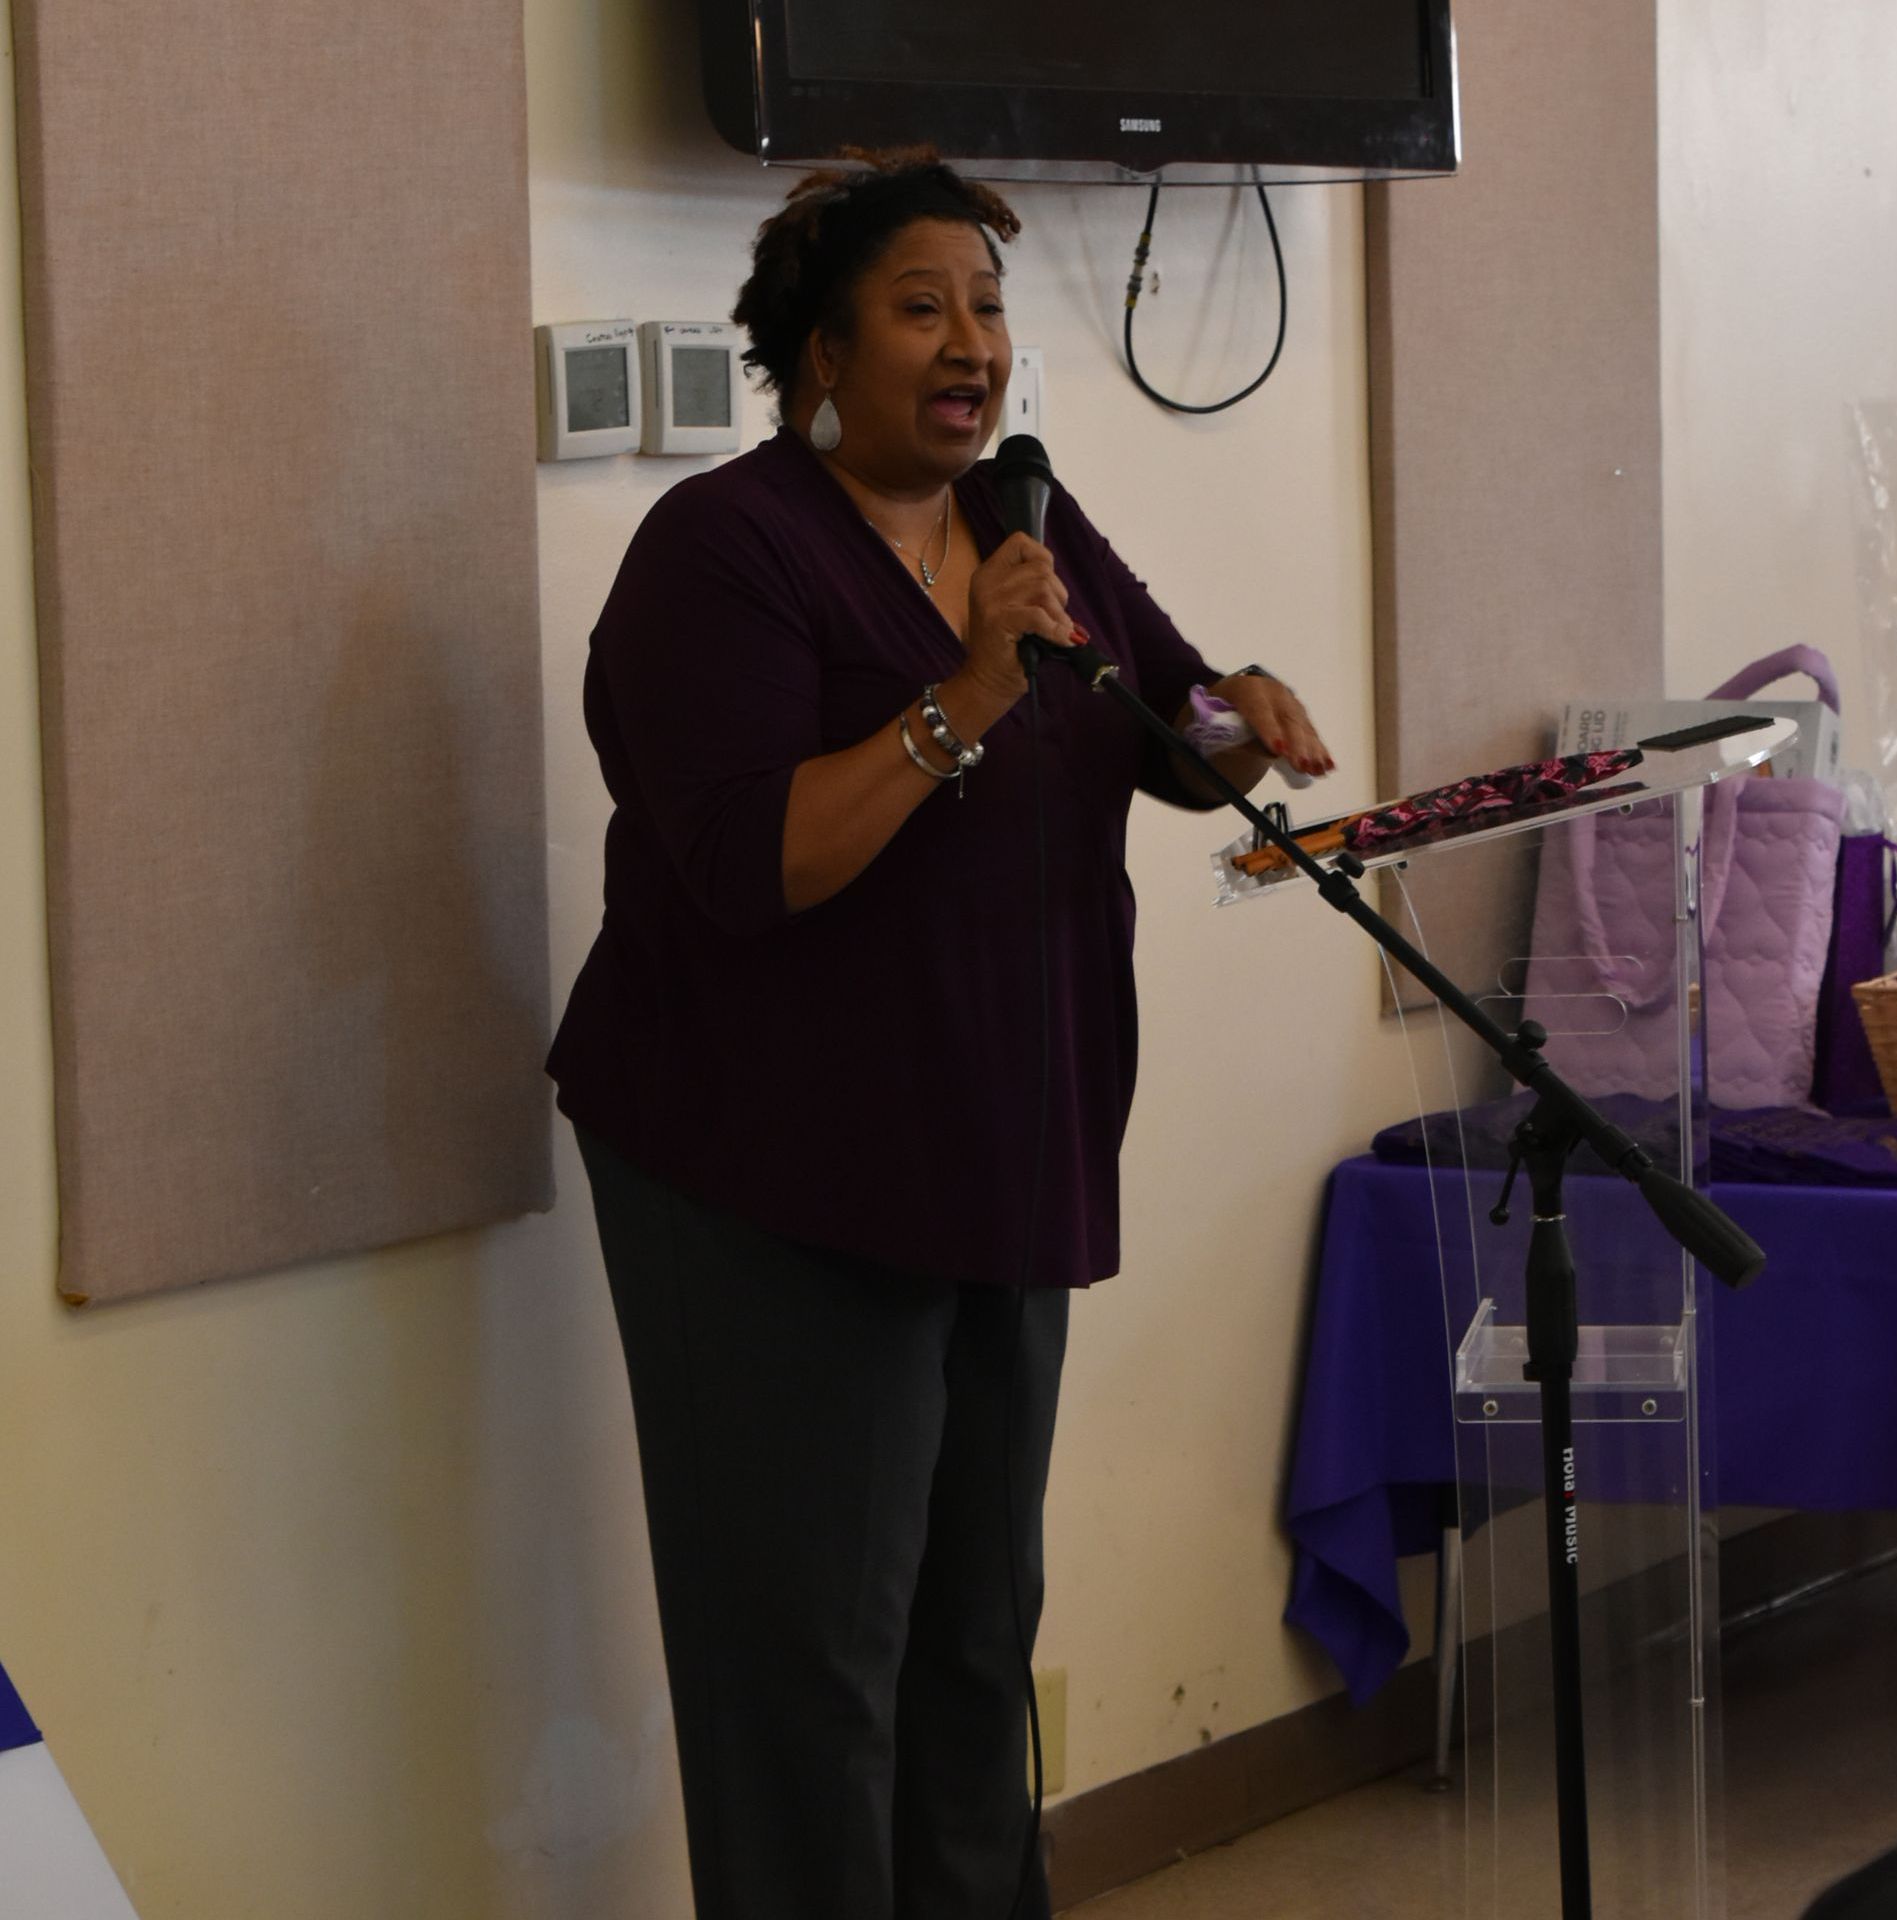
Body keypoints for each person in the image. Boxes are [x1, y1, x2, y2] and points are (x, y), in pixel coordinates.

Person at [547, 148, 1333, 1920]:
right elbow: (759, 864)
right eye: (924, 306)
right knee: (813, 1674)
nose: (972, 340)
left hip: (993, 1148)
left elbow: (1163, 716)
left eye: (987, 306)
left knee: (978, 1639)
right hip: (765, 1181)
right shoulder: (723, 553)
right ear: (822, 351)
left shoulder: (1024, 527)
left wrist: (1245, 717)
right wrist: (966, 693)